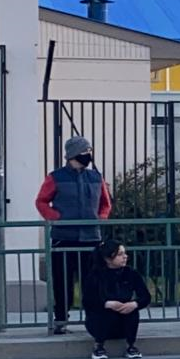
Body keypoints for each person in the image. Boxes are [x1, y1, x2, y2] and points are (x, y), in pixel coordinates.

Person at [35, 135, 112, 334]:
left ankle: (93, 318)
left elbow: (106, 203)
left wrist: (101, 217)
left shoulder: (96, 177)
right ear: (73, 154)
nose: (89, 155)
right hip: (64, 237)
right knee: (62, 282)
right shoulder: (55, 177)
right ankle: (61, 320)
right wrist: (56, 217)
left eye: (89, 151)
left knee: (92, 281)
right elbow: (41, 201)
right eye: (85, 151)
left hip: (91, 238)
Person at [81, 240, 150, 359]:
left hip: (123, 320)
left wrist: (134, 304)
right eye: (120, 254)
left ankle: (131, 345)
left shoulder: (131, 273)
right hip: (100, 322)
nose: (125, 257)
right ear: (108, 259)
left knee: (132, 310)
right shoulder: (95, 275)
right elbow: (88, 301)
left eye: (125, 253)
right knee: (104, 312)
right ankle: (99, 345)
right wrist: (107, 304)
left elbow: (146, 297)